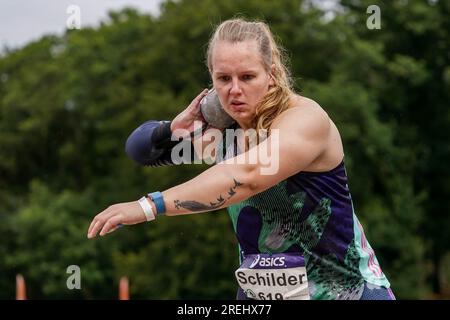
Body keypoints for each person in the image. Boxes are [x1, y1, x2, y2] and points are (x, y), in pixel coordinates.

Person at [87, 18, 395, 300]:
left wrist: (149, 206)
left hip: (344, 292)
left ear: (272, 74)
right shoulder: (221, 132)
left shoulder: (305, 120)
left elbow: (247, 175)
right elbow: (140, 151)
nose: (234, 90)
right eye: (223, 78)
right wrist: (172, 129)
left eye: (247, 77)